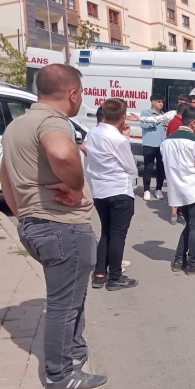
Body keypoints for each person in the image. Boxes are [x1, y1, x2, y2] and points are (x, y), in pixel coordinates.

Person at [0, 63, 107, 389]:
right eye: (81, 94)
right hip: (63, 227)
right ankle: (59, 374)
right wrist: (74, 185)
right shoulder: (52, 121)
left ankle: (74, 352)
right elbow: (60, 152)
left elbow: (6, 178)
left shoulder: (16, 126)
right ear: (73, 94)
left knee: (71, 297)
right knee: (64, 304)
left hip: (35, 224)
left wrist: (23, 213)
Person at [84, 99, 139, 291]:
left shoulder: (93, 132)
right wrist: (126, 138)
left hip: (100, 190)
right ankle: (115, 276)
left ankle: (100, 274)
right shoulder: (118, 139)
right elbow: (131, 168)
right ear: (123, 116)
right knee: (117, 235)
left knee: (106, 231)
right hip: (118, 190)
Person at [161, 107, 195, 274]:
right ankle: (193, 263)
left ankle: (179, 260)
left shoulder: (166, 141)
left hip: (177, 189)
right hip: (194, 189)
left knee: (190, 225)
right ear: (193, 123)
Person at [165, 103, 189, 224]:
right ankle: (176, 213)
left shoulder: (174, 122)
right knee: (178, 187)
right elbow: (174, 141)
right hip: (177, 160)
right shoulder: (177, 123)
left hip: (174, 160)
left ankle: (176, 213)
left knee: (175, 187)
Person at [140, 94, 167, 201]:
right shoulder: (145, 113)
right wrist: (156, 121)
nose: (161, 104)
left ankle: (158, 189)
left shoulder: (164, 115)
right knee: (148, 167)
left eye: (162, 102)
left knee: (161, 168)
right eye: (159, 101)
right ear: (152, 102)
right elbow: (143, 125)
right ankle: (146, 190)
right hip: (149, 144)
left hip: (162, 145)